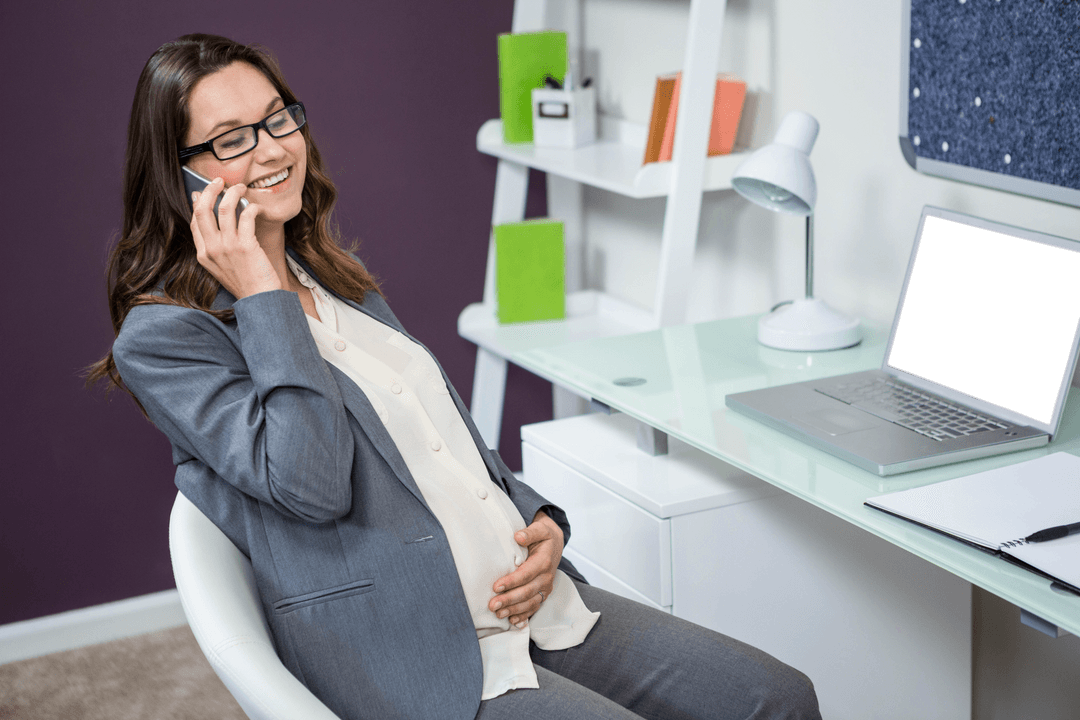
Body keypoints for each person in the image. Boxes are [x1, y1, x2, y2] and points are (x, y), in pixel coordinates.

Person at [89, 33, 821, 720]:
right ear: (178, 172)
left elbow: (440, 442)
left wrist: (539, 521)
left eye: (279, 120)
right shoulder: (165, 339)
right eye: (230, 140)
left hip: (525, 599)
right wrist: (263, 296)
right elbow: (311, 483)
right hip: (417, 649)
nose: (273, 150)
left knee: (778, 697)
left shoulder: (332, 275)